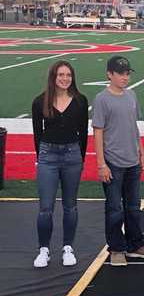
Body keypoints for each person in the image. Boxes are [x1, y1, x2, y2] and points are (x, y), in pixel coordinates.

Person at [93, 56, 144, 267]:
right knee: (114, 208)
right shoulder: (102, 99)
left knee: (132, 207)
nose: (125, 77)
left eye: (127, 73)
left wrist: (142, 153)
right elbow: (97, 132)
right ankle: (116, 248)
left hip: (132, 161)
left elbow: (134, 127)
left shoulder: (132, 95)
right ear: (109, 74)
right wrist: (101, 164)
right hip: (113, 163)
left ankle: (135, 245)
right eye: (120, 73)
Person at [31, 61, 88, 268]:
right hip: (48, 156)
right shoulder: (40, 102)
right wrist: (42, 157)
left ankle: (67, 247)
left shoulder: (81, 101)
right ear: (53, 77)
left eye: (68, 75)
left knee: (70, 206)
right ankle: (43, 249)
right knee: (45, 207)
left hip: (72, 155)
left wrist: (80, 158)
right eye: (61, 75)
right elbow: (37, 133)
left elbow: (83, 133)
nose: (65, 79)